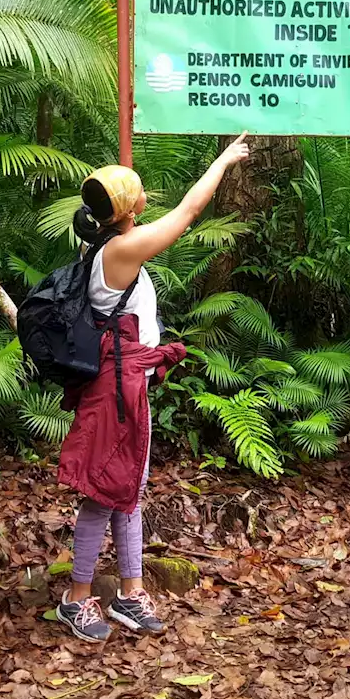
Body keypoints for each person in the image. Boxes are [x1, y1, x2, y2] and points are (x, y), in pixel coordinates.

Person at [54, 134, 251, 642]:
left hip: (128, 386)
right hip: (113, 391)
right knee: (103, 493)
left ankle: (129, 590)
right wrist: (224, 161)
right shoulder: (122, 249)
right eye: (139, 192)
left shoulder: (106, 242)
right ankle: (76, 598)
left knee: (128, 491)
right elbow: (187, 212)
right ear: (128, 206)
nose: (146, 196)